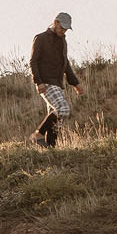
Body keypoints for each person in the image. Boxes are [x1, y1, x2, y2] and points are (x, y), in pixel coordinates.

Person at [30, 12, 84, 147]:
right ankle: (38, 134)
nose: (63, 31)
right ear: (55, 23)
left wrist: (75, 83)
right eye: (62, 28)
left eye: (66, 29)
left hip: (58, 84)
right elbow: (33, 62)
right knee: (63, 108)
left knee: (58, 118)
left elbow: (65, 64)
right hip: (46, 82)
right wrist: (38, 82)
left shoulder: (63, 42)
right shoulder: (41, 38)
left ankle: (51, 148)